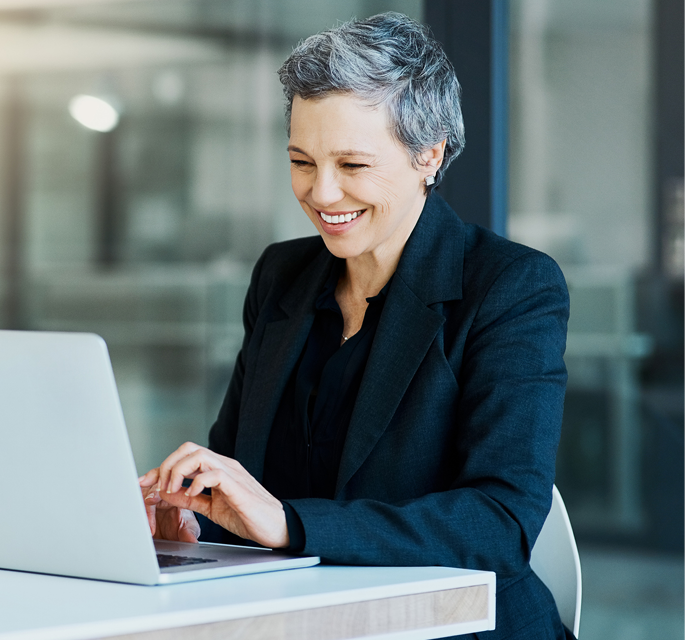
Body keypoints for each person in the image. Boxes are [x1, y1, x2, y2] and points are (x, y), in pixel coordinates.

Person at [139, 13, 572, 640]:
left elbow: (499, 522)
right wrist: (191, 514)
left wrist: (290, 524)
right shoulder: (281, 275)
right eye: (302, 160)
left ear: (429, 155)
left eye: (353, 164)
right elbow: (241, 477)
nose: (322, 192)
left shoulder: (510, 286)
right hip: (306, 622)